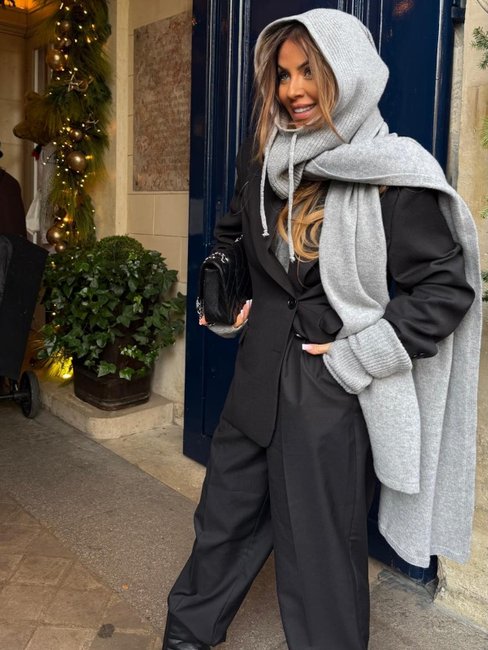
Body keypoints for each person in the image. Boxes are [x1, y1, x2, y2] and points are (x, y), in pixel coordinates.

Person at [163, 9, 481, 649]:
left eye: (309, 71)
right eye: (283, 75)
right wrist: (224, 294)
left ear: (348, 72)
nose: (293, 90)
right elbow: (232, 237)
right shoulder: (267, 165)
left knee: (321, 557)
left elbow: (447, 288)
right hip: (257, 379)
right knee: (221, 523)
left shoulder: (393, 173)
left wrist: (361, 356)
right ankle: (185, 637)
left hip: (331, 396)